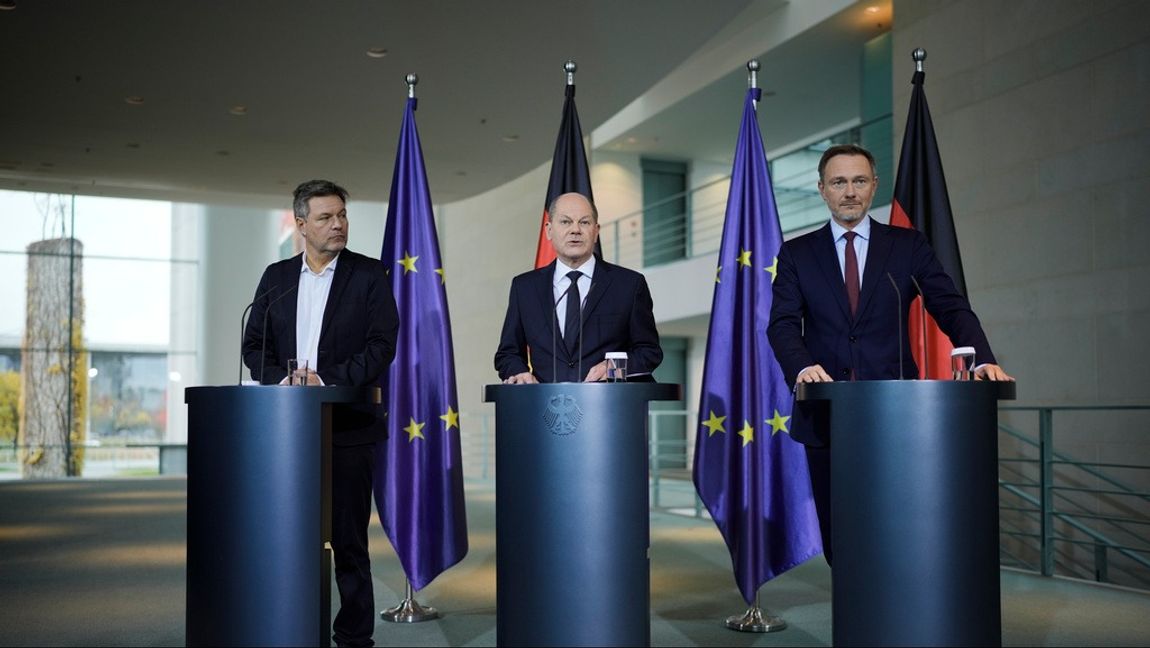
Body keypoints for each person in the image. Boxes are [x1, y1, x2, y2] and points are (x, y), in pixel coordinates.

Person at [767, 144, 1013, 561]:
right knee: (840, 536)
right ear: (822, 190)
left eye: (859, 181)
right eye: (839, 182)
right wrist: (803, 366)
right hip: (827, 413)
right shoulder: (797, 253)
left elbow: (950, 306)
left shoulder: (907, 245)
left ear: (874, 186)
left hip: (896, 414)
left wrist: (983, 358)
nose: (850, 191)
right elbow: (783, 324)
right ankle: (853, 617)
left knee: (895, 532)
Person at [242, 179, 399, 647]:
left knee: (349, 543)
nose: (338, 225)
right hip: (286, 428)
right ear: (302, 223)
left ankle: (353, 638)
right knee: (287, 536)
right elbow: (255, 345)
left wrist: (326, 381)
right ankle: (289, 626)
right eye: (326, 217)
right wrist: (284, 381)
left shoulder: (370, 275)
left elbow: (381, 346)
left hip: (347, 428)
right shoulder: (275, 278)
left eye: (342, 216)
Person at [495, 192, 663, 383]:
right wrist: (520, 373)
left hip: (609, 406)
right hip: (545, 408)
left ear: (596, 231)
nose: (575, 230)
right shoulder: (524, 287)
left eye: (584, 222)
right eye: (565, 222)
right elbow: (508, 354)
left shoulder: (629, 285)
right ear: (549, 230)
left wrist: (613, 368)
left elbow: (649, 352)